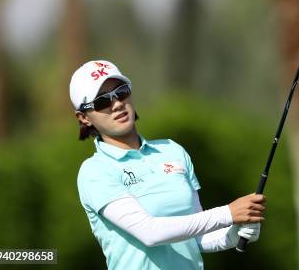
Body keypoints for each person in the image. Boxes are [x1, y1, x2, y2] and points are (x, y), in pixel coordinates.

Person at [71, 60, 266, 269]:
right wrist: (228, 214)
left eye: (121, 92)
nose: (117, 103)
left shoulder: (173, 150)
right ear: (84, 117)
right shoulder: (95, 171)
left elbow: (196, 236)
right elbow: (150, 232)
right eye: (102, 101)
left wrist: (233, 235)